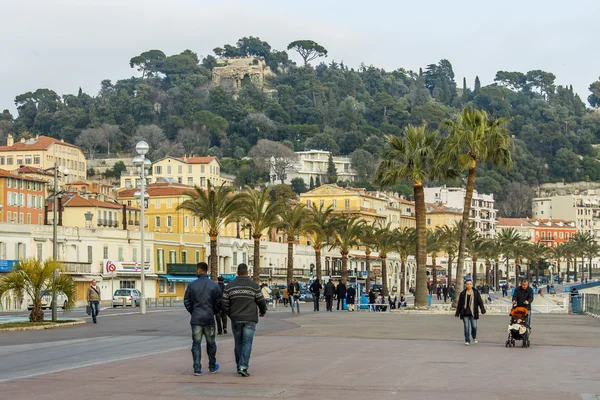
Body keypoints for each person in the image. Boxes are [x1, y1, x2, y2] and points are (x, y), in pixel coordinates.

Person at [223, 263, 267, 377]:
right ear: (247, 272)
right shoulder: (254, 286)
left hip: (236, 319)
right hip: (249, 319)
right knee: (247, 343)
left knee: (238, 343)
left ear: (237, 272)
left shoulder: (229, 286)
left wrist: (231, 314)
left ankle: (239, 365)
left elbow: (224, 304)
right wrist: (263, 311)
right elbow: (261, 301)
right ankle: (243, 366)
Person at [184, 262, 222, 376]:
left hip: (196, 319)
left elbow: (186, 301)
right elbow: (219, 302)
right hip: (209, 318)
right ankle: (212, 366)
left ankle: (197, 368)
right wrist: (213, 311)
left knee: (196, 343)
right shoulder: (214, 285)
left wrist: (193, 311)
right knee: (211, 343)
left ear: (199, 270)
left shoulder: (192, 285)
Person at [455, 280, 486, 346]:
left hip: (473, 312)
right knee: (466, 327)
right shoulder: (463, 293)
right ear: (465, 285)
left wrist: (482, 309)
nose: (469, 285)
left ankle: (474, 336)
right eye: (467, 284)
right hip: (465, 312)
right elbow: (460, 304)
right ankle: (467, 340)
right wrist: (457, 313)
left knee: (474, 326)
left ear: (472, 285)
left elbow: (480, 302)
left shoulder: (476, 292)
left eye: (470, 284)